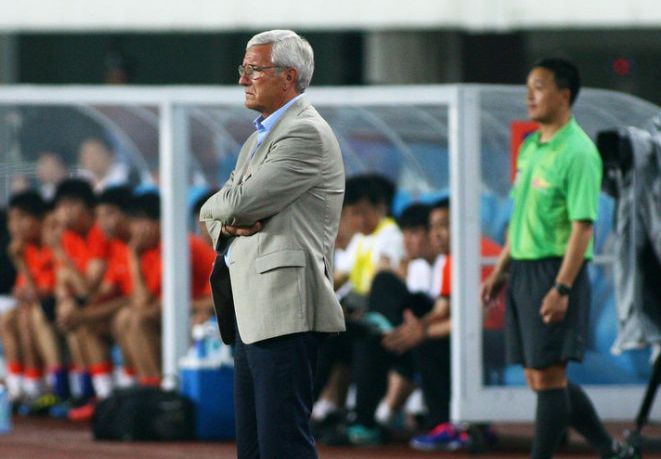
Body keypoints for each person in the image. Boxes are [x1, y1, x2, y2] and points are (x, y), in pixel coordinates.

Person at [481, 58, 639, 459]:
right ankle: (609, 449)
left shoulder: (579, 152)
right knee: (540, 377)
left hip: (555, 271)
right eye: (528, 88)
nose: (529, 96)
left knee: (549, 376)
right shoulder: (531, 146)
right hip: (522, 271)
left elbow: (582, 229)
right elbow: (520, 217)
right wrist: (501, 270)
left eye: (538, 87)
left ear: (564, 95)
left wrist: (562, 288)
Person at [200, 29, 345, 458]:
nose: (242, 79)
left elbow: (237, 203)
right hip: (254, 310)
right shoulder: (257, 139)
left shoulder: (305, 133)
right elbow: (218, 215)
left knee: (282, 443)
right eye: (243, 69)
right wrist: (224, 221)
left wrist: (218, 209)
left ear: (288, 76)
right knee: (254, 447)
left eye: (254, 70)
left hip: (284, 308)